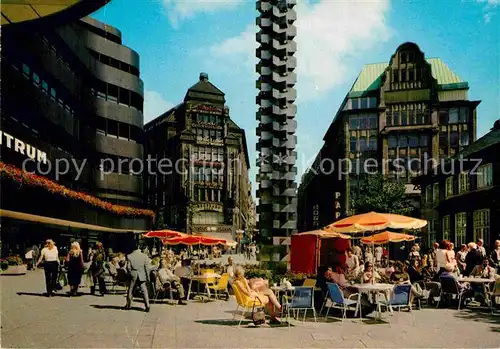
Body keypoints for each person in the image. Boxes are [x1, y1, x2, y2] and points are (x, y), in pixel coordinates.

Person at [125, 243, 151, 312]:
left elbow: (128, 267)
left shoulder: (129, 256)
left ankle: (128, 304)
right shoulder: (145, 256)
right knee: (144, 290)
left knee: (130, 289)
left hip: (133, 273)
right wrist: (148, 277)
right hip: (142, 274)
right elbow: (146, 268)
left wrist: (130, 272)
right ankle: (147, 305)